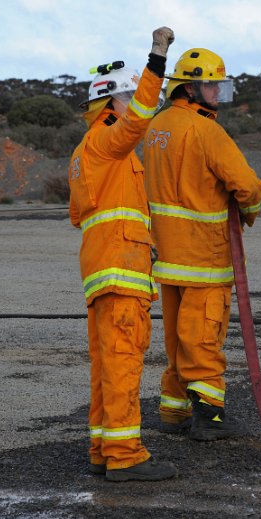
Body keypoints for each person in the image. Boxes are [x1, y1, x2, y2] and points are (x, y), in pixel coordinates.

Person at [69, 27, 177, 481]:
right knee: (123, 360)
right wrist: (156, 60)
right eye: (127, 96)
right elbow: (137, 120)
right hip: (121, 268)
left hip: (103, 270)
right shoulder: (109, 140)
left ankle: (103, 447)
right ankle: (125, 456)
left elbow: (80, 215)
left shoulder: (89, 151)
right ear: (110, 104)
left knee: (106, 362)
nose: (135, 103)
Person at [143, 47, 261, 441]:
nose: (217, 94)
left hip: (169, 260)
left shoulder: (158, 126)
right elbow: (247, 186)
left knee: (178, 339)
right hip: (204, 260)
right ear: (189, 87)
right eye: (211, 86)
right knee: (203, 339)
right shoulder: (206, 131)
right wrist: (249, 211)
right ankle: (210, 418)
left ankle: (173, 412)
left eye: (219, 87)